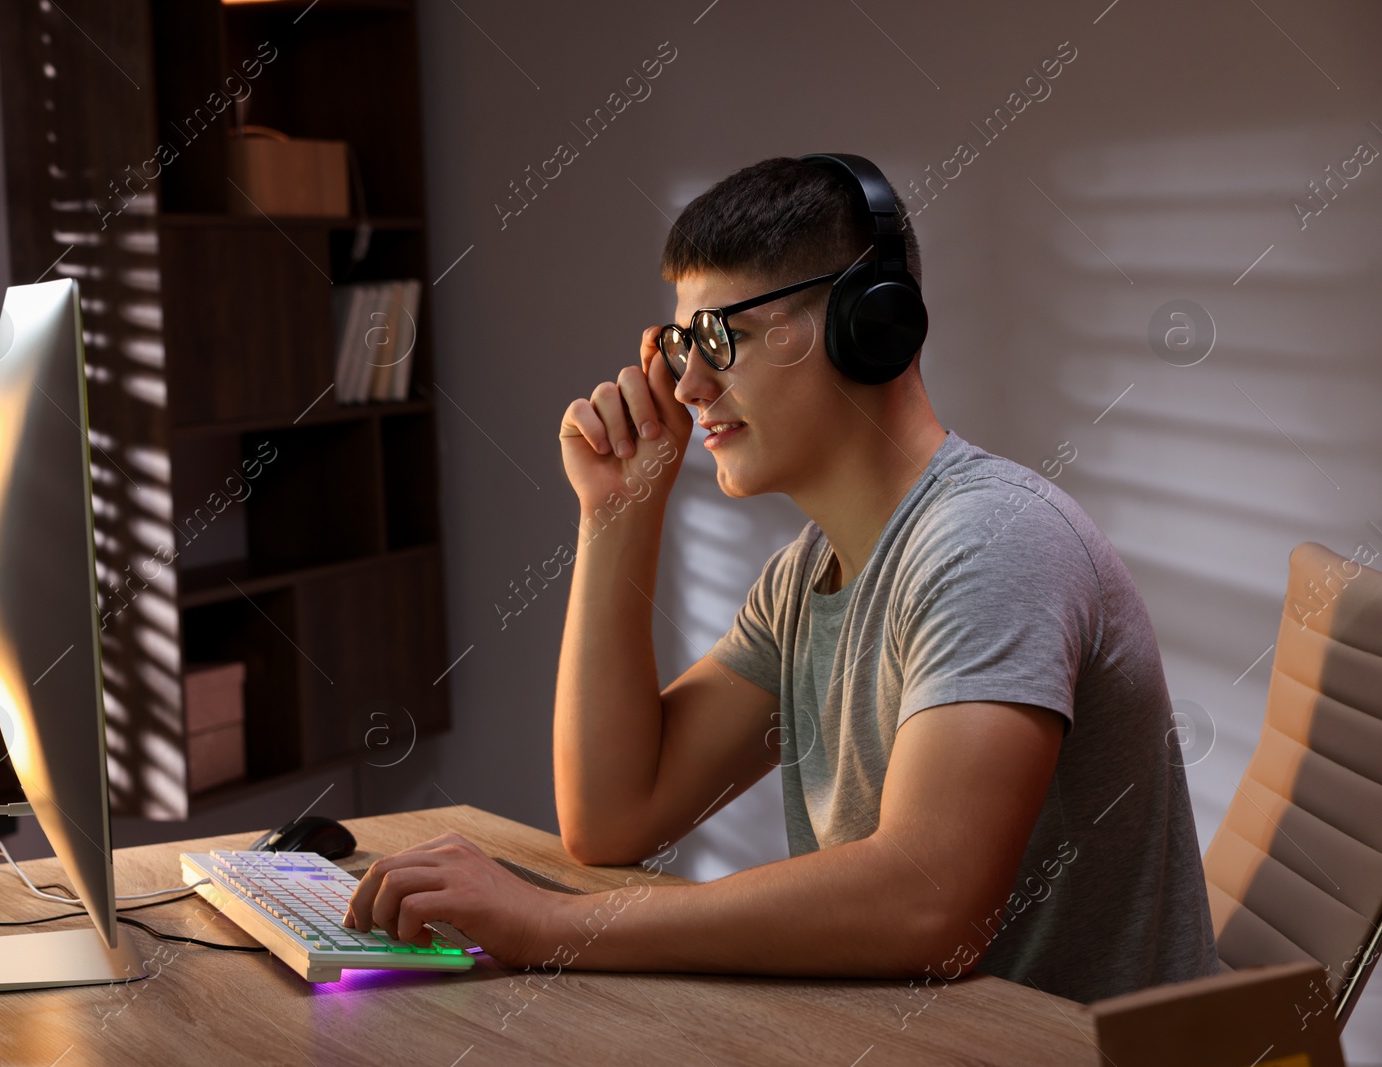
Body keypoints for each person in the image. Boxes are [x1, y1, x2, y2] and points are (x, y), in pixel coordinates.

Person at [344, 154, 1219, 1004]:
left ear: (870, 325)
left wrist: (551, 925)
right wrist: (617, 514)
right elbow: (615, 814)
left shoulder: (994, 543)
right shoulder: (807, 575)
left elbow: (929, 902)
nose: (687, 384)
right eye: (679, 343)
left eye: (721, 337)